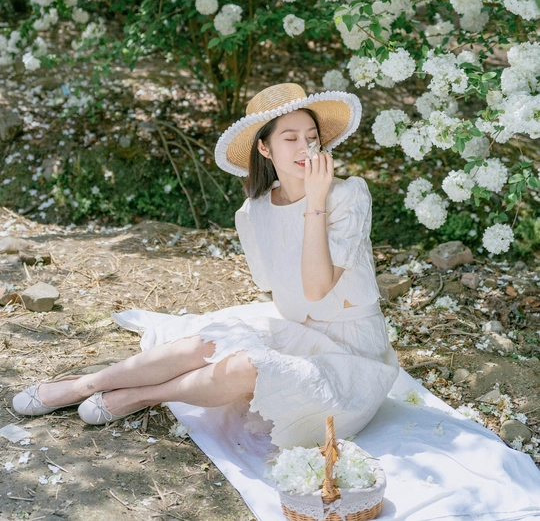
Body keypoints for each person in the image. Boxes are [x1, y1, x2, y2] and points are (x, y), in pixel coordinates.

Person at [12, 82, 399, 448]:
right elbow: (280, 291)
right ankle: (84, 384)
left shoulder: (348, 195)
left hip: (353, 358)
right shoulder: (255, 212)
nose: (306, 147)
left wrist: (315, 200)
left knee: (244, 366)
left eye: (312, 137)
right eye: (290, 138)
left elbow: (315, 289)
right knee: (207, 343)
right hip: (301, 335)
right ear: (264, 148)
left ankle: (142, 396)